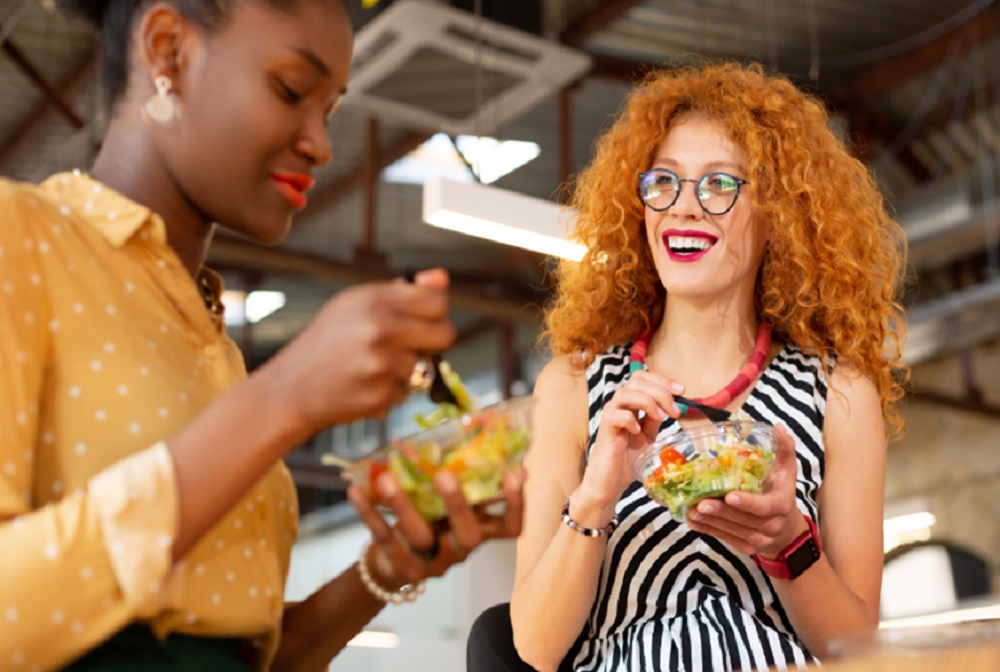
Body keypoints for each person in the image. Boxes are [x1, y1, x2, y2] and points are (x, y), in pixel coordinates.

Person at [0, 0, 523, 670]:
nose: (321, 144)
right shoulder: (23, 240)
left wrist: (387, 570)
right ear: (168, 50)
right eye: (291, 91)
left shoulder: (212, 342)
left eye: (329, 110)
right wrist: (281, 399)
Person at [503, 62, 907, 671]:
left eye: (720, 185)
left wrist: (788, 543)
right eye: (663, 182)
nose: (684, 208)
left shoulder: (839, 393)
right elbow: (535, 647)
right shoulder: (573, 386)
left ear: (779, 212)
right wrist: (596, 495)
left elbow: (859, 647)